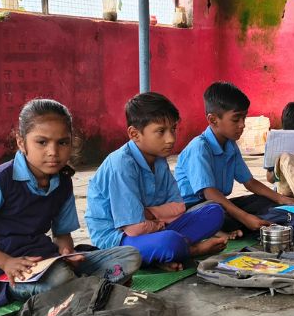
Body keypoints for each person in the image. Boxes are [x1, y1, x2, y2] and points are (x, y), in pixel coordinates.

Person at [0, 98, 140, 311]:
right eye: (42, 142)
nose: (53, 152)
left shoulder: (62, 182)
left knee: (129, 255)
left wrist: (67, 253)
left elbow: (61, 235)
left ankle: (78, 285)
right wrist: (6, 262)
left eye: (62, 142)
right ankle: (82, 286)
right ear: (21, 142)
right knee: (60, 278)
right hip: (0, 270)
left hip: (46, 259)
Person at [86, 92, 229, 270]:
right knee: (170, 241)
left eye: (173, 129)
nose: (170, 139)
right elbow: (133, 229)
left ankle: (161, 256)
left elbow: (178, 207)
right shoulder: (121, 165)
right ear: (134, 134)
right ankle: (191, 250)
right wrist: (159, 222)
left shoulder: (159, 159)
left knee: (214, 212)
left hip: (152, 229)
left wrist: (149, 214)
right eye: (161, 131)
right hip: (118, 240)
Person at [174, 81, 294, 233]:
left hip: (220, 204)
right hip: (194, 210)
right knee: (216, 212)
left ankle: (236, 226)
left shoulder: (230, 145)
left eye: (244, 118)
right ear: (213, 120)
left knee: (266, 201)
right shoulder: (199, 147)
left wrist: (281, 198)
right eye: (236, 119)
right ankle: (235, 225)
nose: (242, 125)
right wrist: (244, 217)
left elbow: (249, 182)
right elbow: (209, 193)